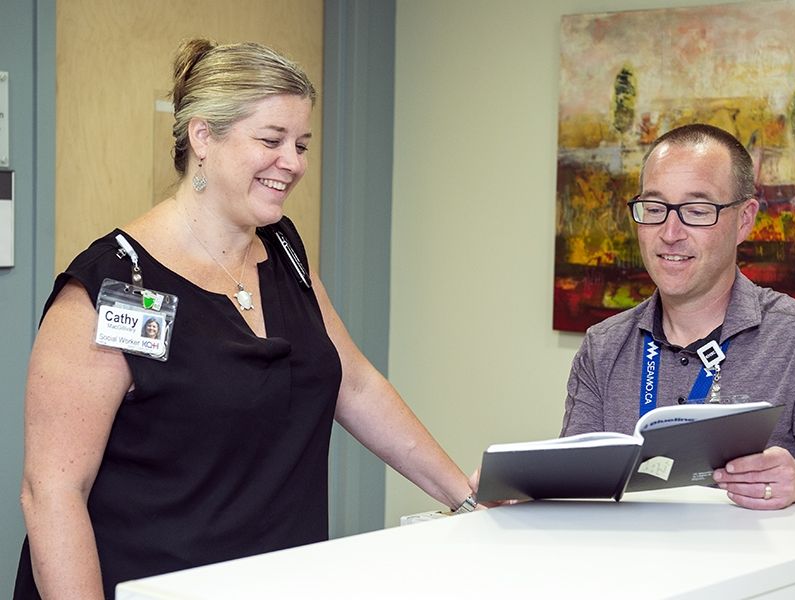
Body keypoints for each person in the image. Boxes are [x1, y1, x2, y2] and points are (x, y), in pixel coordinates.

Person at [15, 39, 477, 600]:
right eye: (271, 140)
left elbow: (353, 384)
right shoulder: (120, 284)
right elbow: (53, 491)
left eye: (302, 144)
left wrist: (467, 497)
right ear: (203, 137)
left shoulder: (282, 251)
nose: (294, 163)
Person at [560, 123, 795, 512]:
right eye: (654, 209)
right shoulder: (603, 345)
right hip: (631, 567)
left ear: (744, 220)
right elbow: (572, 492)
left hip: (762, 571)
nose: (670, 232)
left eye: (697, 211)